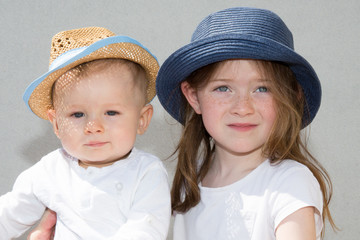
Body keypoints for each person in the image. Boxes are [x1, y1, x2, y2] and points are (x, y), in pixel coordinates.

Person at [155, 7, 336, 239]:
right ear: (193, 97)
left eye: (262, 89)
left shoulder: (290, 183)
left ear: (291, 96)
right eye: (223, 88)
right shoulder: (189, 182)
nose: (242, 108)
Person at [0, 27, 171, 239]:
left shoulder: (146, 172)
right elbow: (9, 214)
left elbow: (145, 229)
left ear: (141, 119)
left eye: (111, 112)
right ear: (56, 124)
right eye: (78, 114)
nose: (93, 126)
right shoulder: (50, 171)